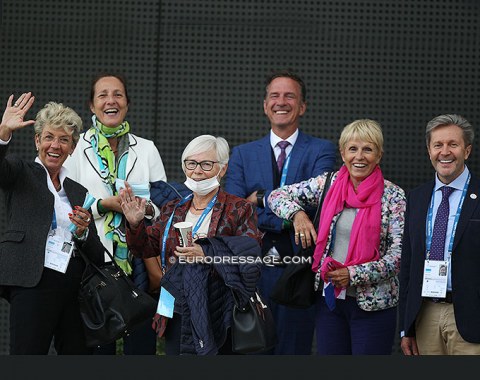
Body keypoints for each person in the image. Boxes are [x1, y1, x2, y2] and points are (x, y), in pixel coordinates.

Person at [268, 119, 406, 355]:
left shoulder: (394, 196)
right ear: (343, 153)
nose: (359, 156)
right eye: (352, 149)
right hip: (330, 302)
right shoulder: (328, 184)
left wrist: (352, 274)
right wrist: (298, 214)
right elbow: (276, 196)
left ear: (379, 155)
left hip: (373, 306)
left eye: (368, 149)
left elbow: (399, 255)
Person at [225, 69, 336, 354]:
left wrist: (259, 200)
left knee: (294, 352)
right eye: (274, 95)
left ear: (302, 106)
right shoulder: (242, 154)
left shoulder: (322, 150)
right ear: (265, 105)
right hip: (253, 270)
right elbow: (236, 212)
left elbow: (318, 206)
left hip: (299, 268)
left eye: (290, 96)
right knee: (252, 353)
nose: (281, 102)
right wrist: (293, 216)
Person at [120, 135, 263, 355]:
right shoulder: (172, 209)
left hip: (218, 310)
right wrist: (135, 223)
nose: (197, 170)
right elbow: (144, 249)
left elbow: (249, 258)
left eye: (206, 164)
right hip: (177, 307)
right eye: (191, 163)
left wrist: (206, 252)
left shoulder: (239, 209)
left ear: (222, 169)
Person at [63, 73, 167, 355]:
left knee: (141, 349)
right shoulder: (74, 148)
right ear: (91, 105)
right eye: (103, 95)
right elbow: (65, 206)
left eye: (118, 94)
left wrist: (142, 209)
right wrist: (104, 205)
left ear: (127, 103)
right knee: (98, 350)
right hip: (92, 265)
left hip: (139, 265)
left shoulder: (146, 149)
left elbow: (162, 208)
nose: (111, 100)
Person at [0, 93, 105, 354]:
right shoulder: (19, 172)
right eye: (48, 137)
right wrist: (3, 133)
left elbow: (96, 255)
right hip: (34, 281)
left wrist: (83, 232)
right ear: (37, 140)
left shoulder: (78, 191)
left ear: (72, 147)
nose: (55, 145)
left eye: (63, 140)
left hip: (74, 286)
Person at [399, 114, 480, 355]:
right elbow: (408, 264)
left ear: (467, 151)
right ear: (429, 150)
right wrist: (407, 327)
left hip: (471, 317)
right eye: (438, 145)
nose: (445, 152)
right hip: (425, 315)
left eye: (453, 144)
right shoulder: (417, 198)